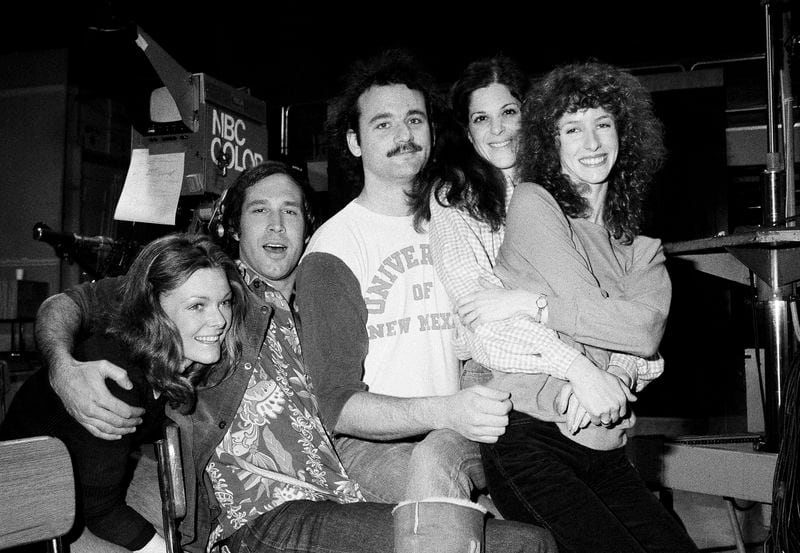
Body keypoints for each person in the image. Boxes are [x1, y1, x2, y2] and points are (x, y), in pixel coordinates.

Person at [34, 160, 556, 553]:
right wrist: (62, 367)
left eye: (291, 212)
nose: (277, 226)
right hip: (262, 514)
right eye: (260, 211)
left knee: (525, 535)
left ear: (309, 226)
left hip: (342, 491)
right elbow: (67, 304)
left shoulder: (323, 295)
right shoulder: (206, 288)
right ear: (235, 227)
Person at [293, 49, 556, 551]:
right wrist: (444, 410)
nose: (404, 135)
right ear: (353, 140)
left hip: (480, 424)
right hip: (380, 445)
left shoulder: (462, 214)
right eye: (383, 123)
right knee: (501, 533)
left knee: (553, 521)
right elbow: (338, 407)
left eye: (415, 119)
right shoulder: (334, 248)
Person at [451, 60, 699, 552]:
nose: (591, 142)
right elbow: (593, 312)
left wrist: (533, 305)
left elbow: (646, 334)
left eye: (603, 124)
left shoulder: (642, 247)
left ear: (623, 135)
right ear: (551, 142)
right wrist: (596, 364)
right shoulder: (533, 202)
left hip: (604, 444)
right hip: (529, 437)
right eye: (573, 128)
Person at [1, 232, 246, 552]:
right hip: (26, 504)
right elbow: (101, 510)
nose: (218, 320)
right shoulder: (117, 377)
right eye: (197, 306)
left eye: (223, 302)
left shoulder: (182, 358)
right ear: (154, 312)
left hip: (89, 483)